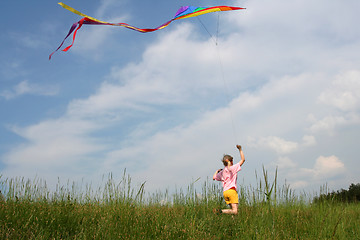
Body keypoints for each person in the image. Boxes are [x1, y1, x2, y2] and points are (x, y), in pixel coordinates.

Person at [212, 145, 245, 214]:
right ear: (231, 161)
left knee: (232, 210)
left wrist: (216, 171)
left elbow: (214, 178)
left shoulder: (222, 172)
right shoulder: (233, 168)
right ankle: (220, 211)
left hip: (225, 192)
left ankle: (234, 223)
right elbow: (243, 160)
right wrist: (240, 149)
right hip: (232, 191)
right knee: (235, 211)